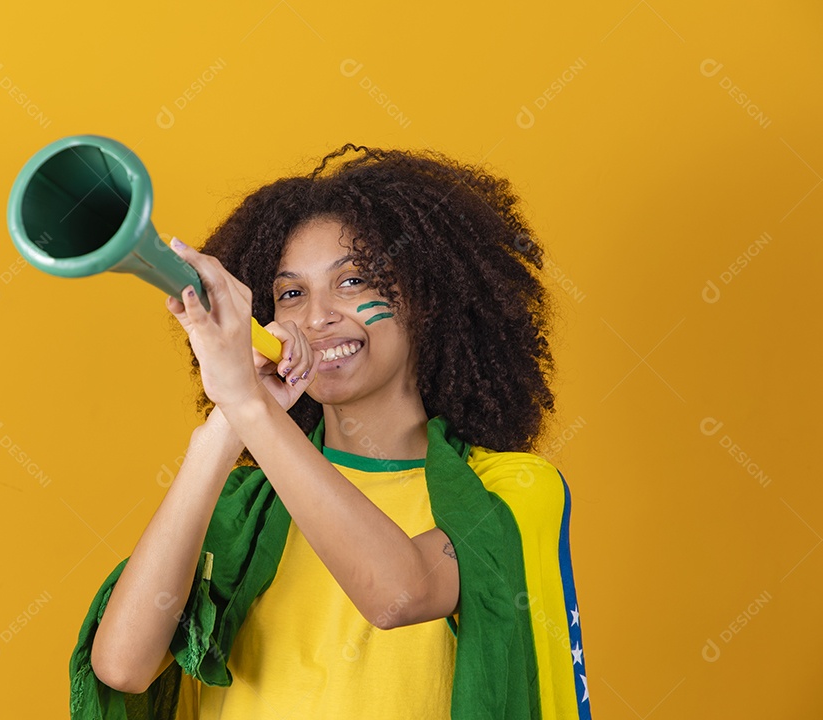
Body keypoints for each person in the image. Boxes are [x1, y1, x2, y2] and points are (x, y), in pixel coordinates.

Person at [71, 144, 591, 719]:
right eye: (291, 293)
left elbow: (399, 594)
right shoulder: (246, 507)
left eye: (354, 281)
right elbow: (122, 666)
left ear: (428, 297)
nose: (316, 317)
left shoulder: (511, 489)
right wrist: (225, 429)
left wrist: (251, 410)